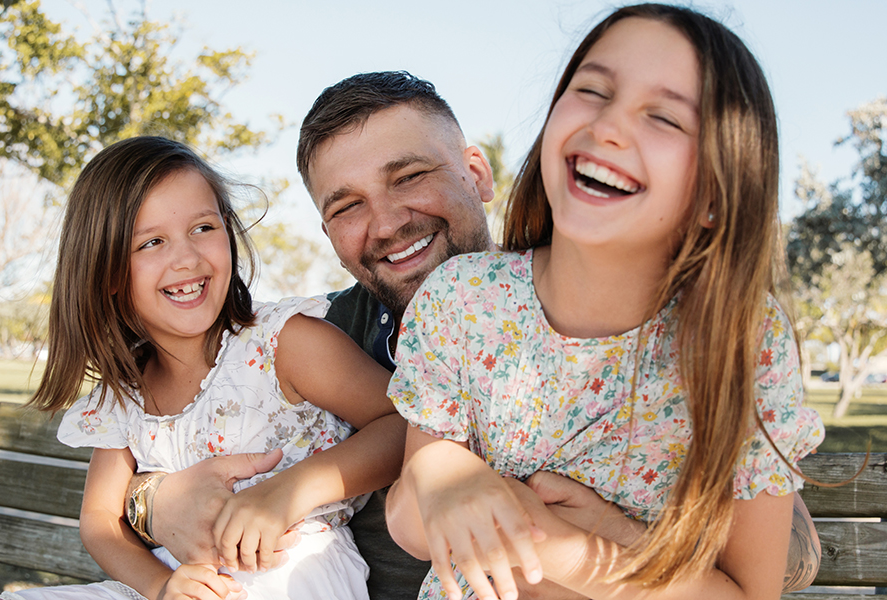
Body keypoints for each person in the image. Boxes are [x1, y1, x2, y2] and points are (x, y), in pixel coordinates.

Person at [131, 71, 822, 599]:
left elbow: (790, 553)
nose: (389, 220)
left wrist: (587, 533)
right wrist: (153, 502)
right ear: (329, 234)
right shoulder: (314, 339)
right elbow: (170, 435)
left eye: (412, 176)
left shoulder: (590, 313)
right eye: (348, 206)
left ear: (478, 173)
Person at [384, 5, 825, 600]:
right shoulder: (464, 300)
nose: (610, 126)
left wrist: (562, 543)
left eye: (664, 117)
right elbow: (412, 510)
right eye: (592, 90)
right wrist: (443, 484)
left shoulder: (744, 342)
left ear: (717, 193)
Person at [0, 136, 405, 600]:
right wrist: (161, 586)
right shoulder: (126, 393)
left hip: (291, 572)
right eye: (151, 242)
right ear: (109, 273)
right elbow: (99, 522)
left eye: (203, 228)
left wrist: (289, 491)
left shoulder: (283, 343)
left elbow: (403, 422)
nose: (187, 258)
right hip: (179, 583)